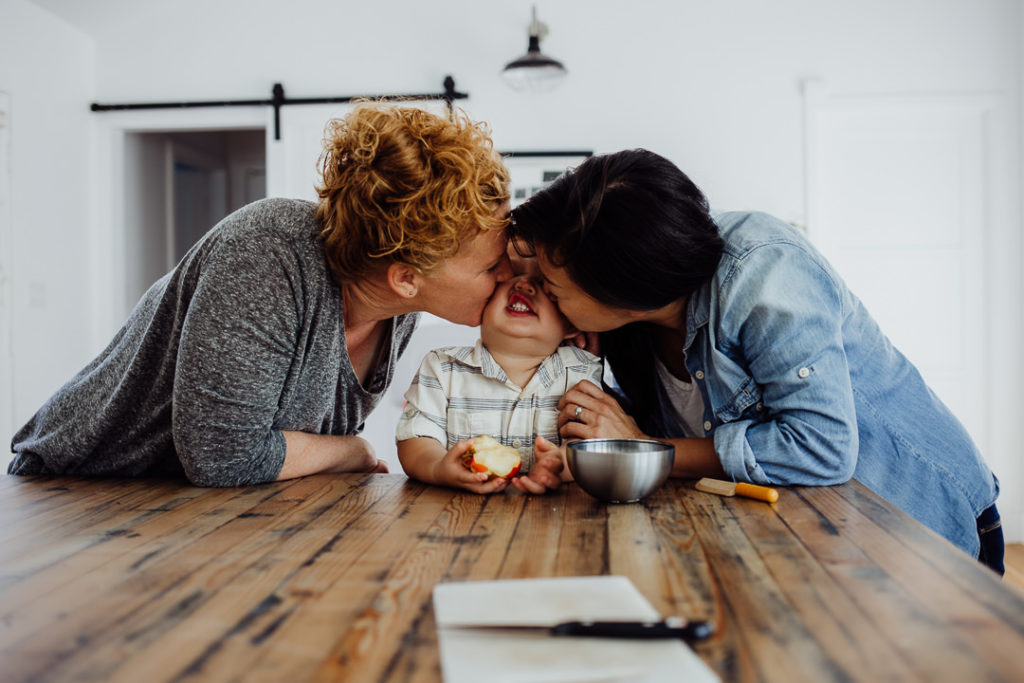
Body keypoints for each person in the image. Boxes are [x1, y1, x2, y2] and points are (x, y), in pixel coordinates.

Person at [508, 148, 1003, 573]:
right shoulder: (632, 321)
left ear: (624, 296)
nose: (544, 295)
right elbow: (686, 417)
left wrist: (646, 451)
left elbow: (821, 446)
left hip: (915, 524)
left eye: (552, 288)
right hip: (810, 534)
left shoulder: (763, 271)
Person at [9, 102, 514, 487]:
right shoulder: (266, 256)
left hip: (182, 506)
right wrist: (353, 450)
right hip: (76, 489)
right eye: (493, 266)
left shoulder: (399, 304)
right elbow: (222, 458)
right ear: (405, 277)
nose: (510, 273)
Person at [396, 274, 602, 494]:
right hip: (459, 510)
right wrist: (438, 469)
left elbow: (590, 442)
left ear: (571, 323)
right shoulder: (441, 367)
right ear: (481, 304)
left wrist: (559, 466)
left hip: (553, 511)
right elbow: (415, 438)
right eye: (511, 276)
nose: (524, 285)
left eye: (543, 282)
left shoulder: (582, 371)